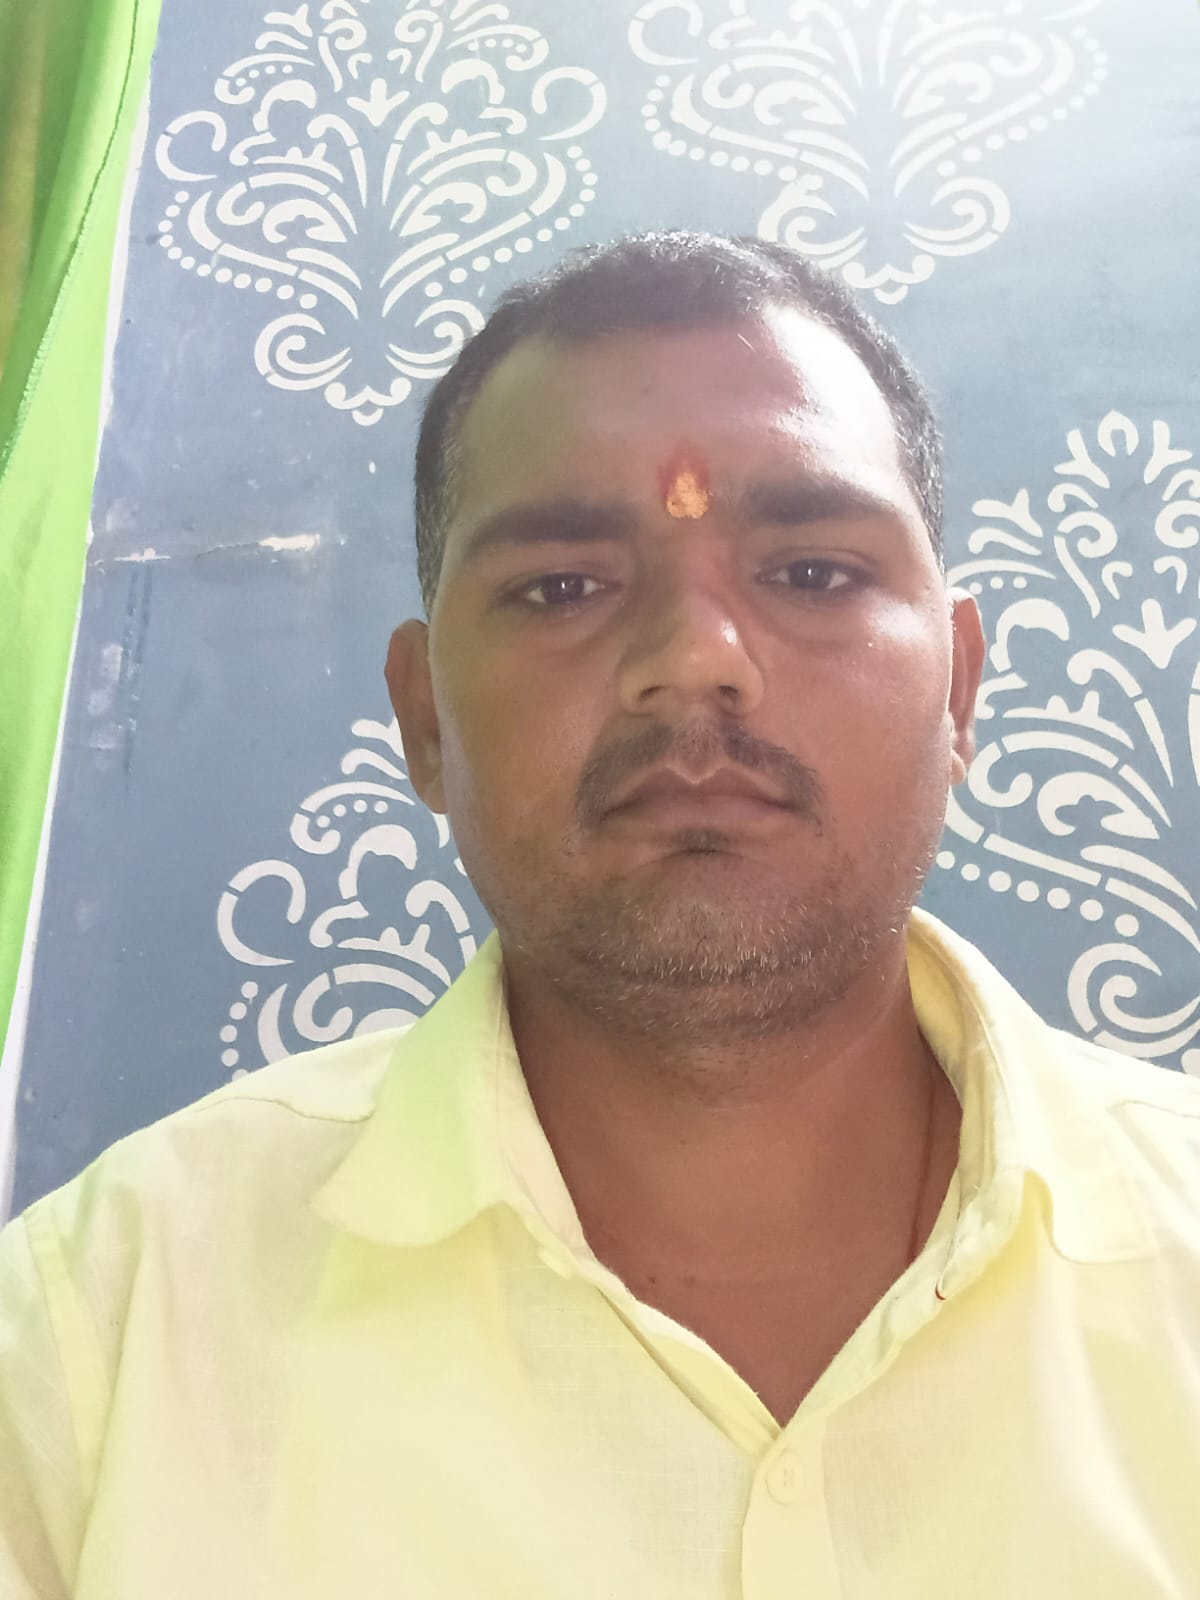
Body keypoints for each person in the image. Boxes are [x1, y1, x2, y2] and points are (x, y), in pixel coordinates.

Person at [3, 231, 1199, 1598]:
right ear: (424, 722)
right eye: (561, 587)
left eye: (812, 572)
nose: (693, 659)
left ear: (960, 692)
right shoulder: (91, 1339)